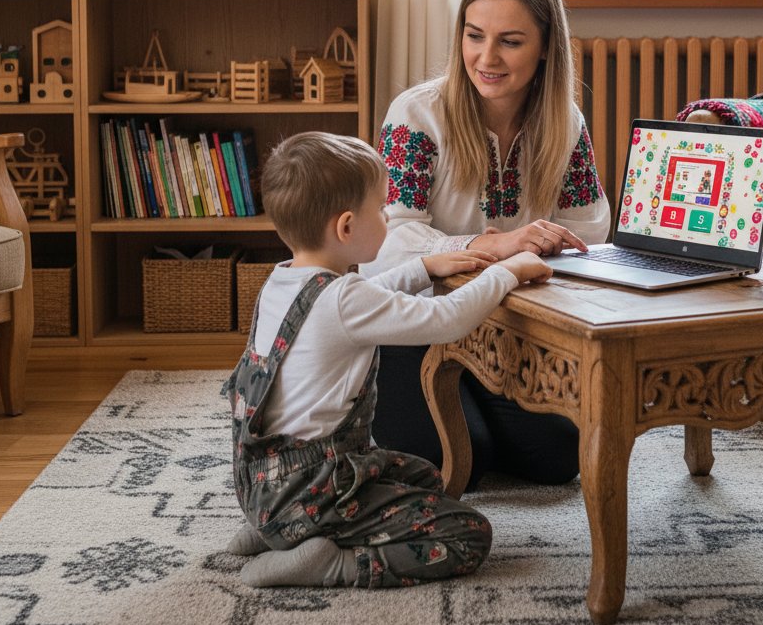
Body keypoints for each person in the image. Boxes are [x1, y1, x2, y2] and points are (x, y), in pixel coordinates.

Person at [223, 130, 551, 590]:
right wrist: (505, 272)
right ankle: (327, 561)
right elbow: (446, 319)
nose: (388, 216)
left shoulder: (283, 283)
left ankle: (273, 528)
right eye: (381, 208)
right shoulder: (344, 301)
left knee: (424, 478)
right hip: (320, 490)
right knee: (468, 533)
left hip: (264, 484)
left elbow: (360, 302)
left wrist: (423, 267)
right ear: (345, 227)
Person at [363, 0, 612, 488]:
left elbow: (589, 228)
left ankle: (474, 399)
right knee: (454, 463)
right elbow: (388, 243)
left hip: (504, 325)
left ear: (546, 46)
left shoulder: (565, 122)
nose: (486, 57)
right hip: (412, 329)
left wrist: (540, 247)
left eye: (510, 41)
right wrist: (492, 245)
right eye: (474, 36)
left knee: (557, 459)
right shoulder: (417, 114)